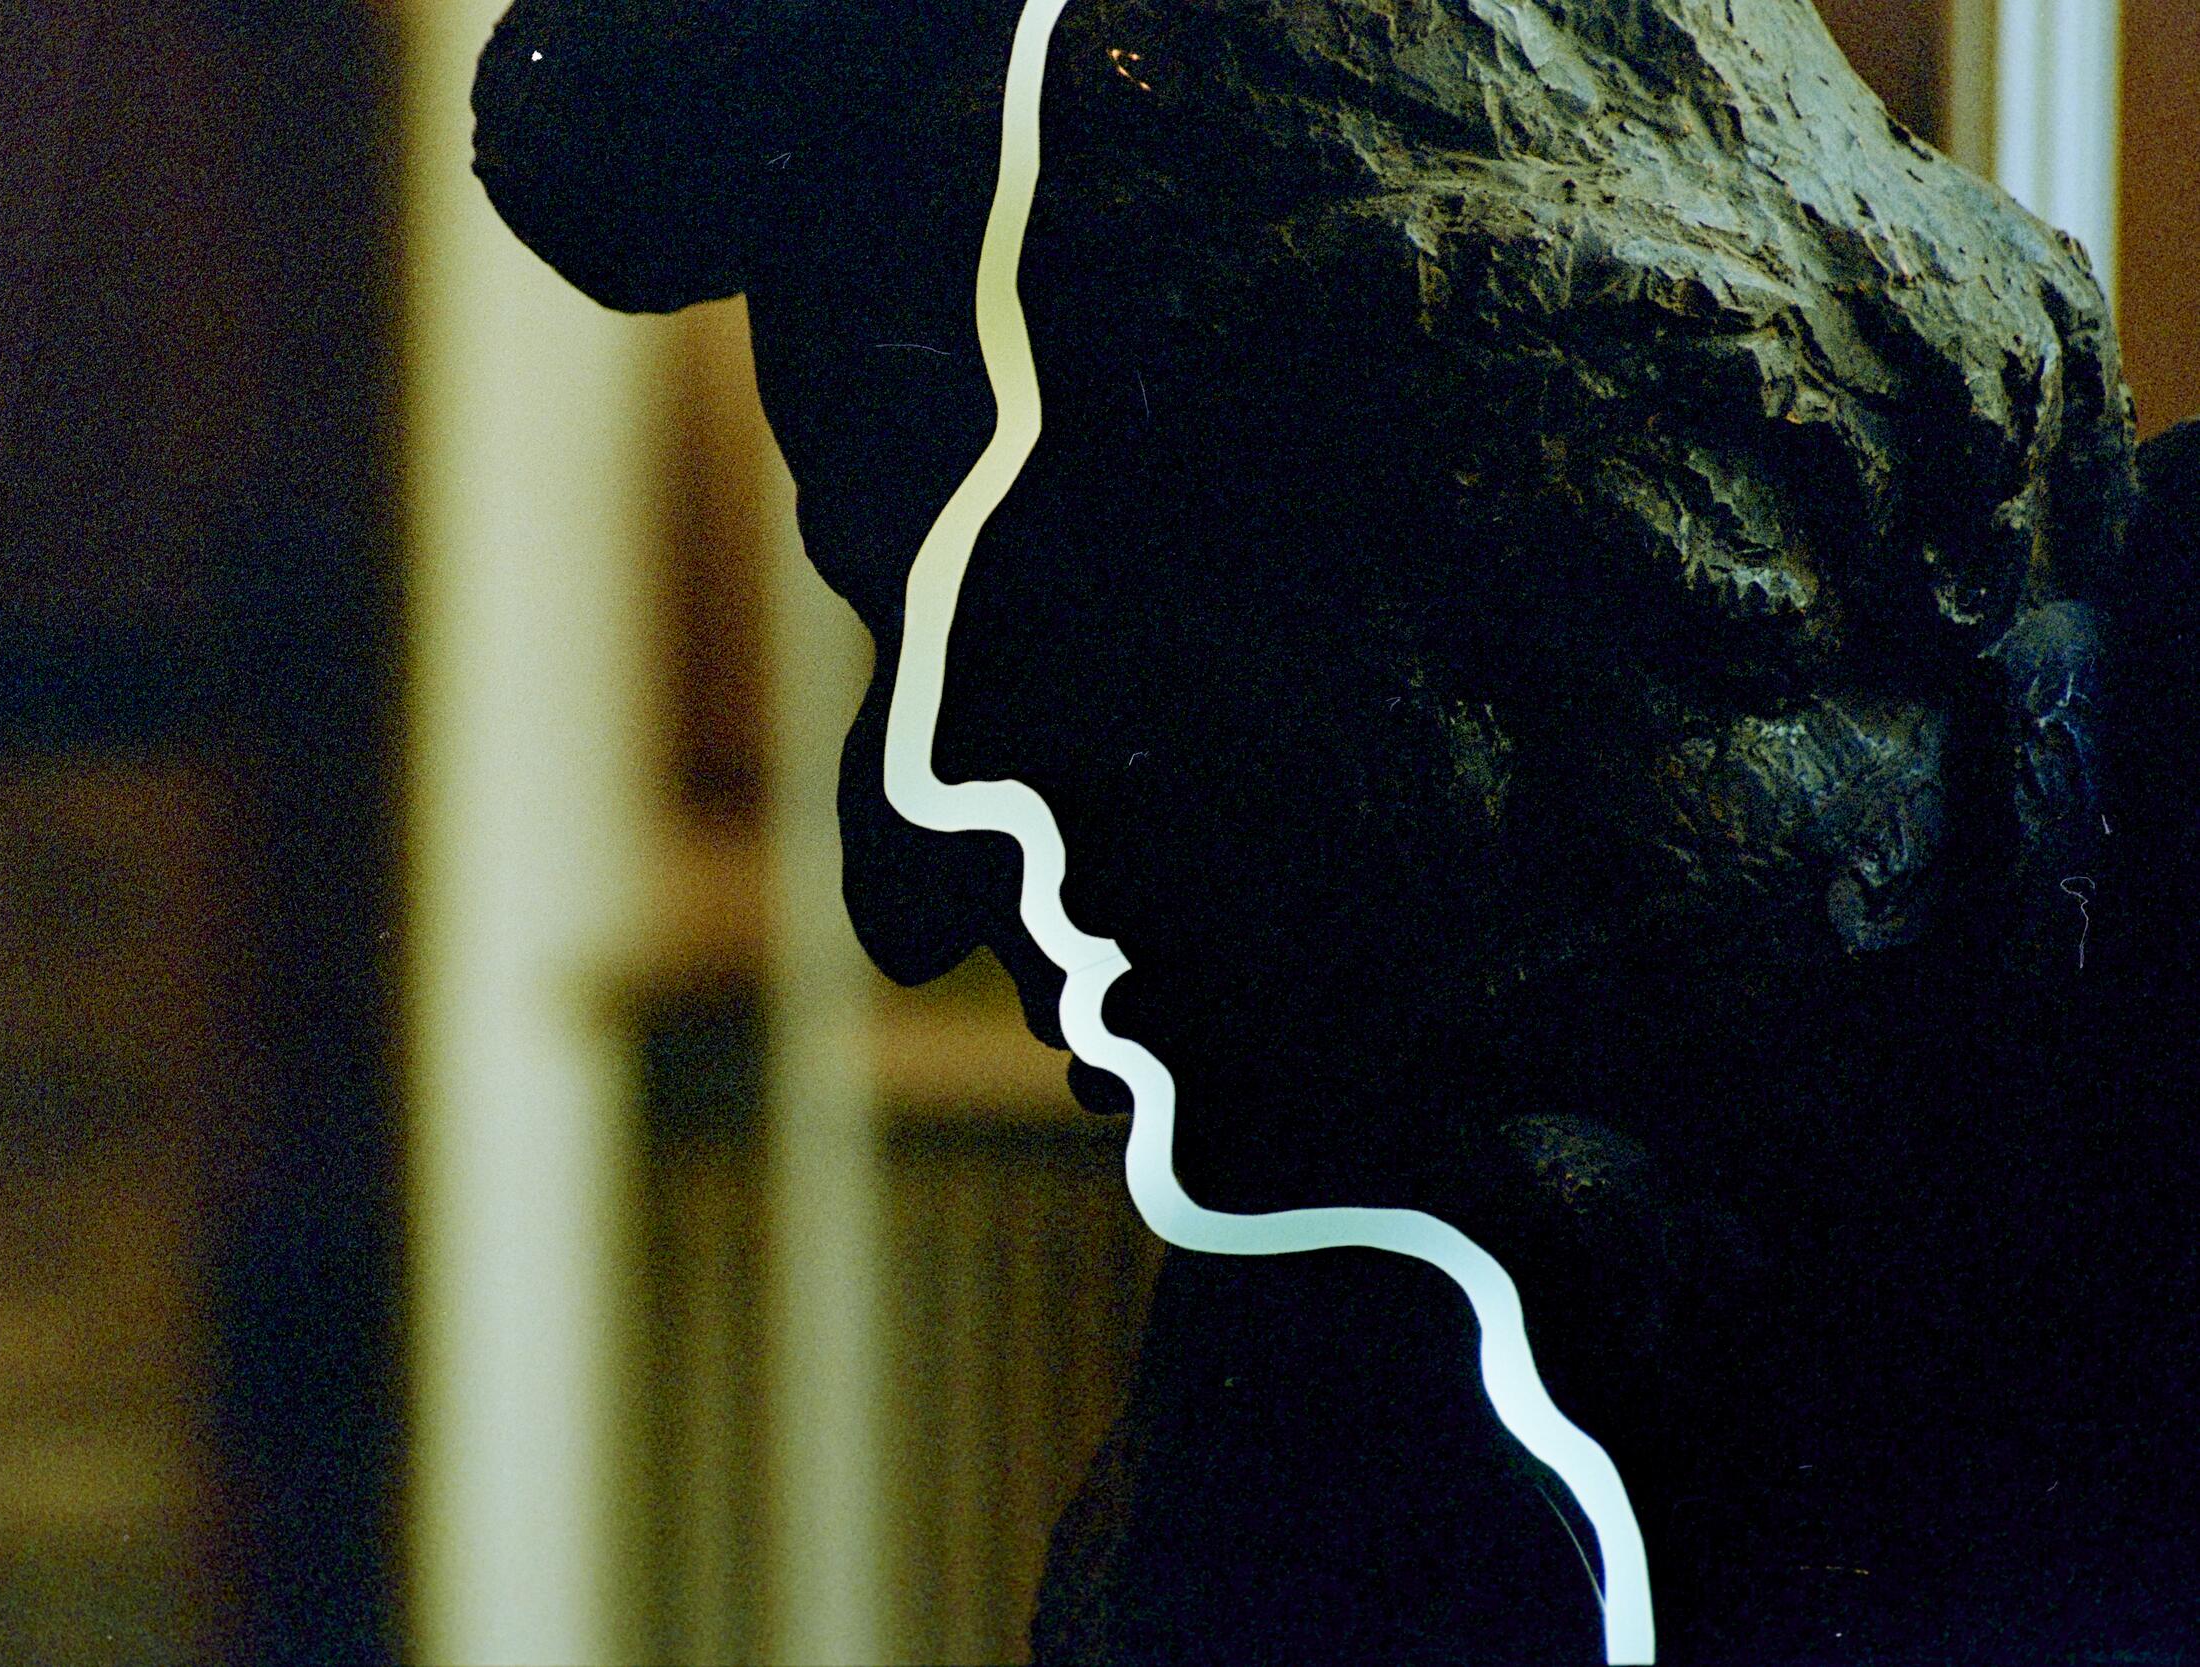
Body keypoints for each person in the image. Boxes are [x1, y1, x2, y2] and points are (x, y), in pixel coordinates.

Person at [472, 1, 2198, 1657]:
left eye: (1066, 631)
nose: (907, 869)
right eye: (893, 627)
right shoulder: (1406, 1310)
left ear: (1609, 507)